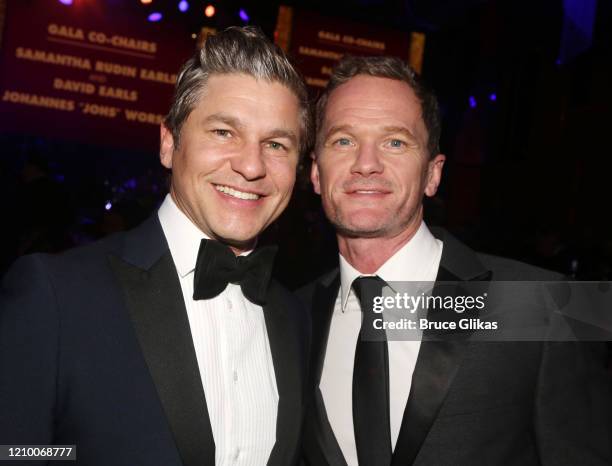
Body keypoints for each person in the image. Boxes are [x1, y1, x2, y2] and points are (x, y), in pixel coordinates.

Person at [0, 26, 312, 466]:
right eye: (224, 132)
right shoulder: (54, 294)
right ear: (169, 143)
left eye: (276, 144)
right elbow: (17, 452)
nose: (250, 165)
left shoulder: (293, 315)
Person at [299, 55, 611, 465]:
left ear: (433, 173)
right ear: (316, 173)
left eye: (395, 142)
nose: (366, 163)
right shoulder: (293, 314)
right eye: (343, 140)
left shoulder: (552, 304)